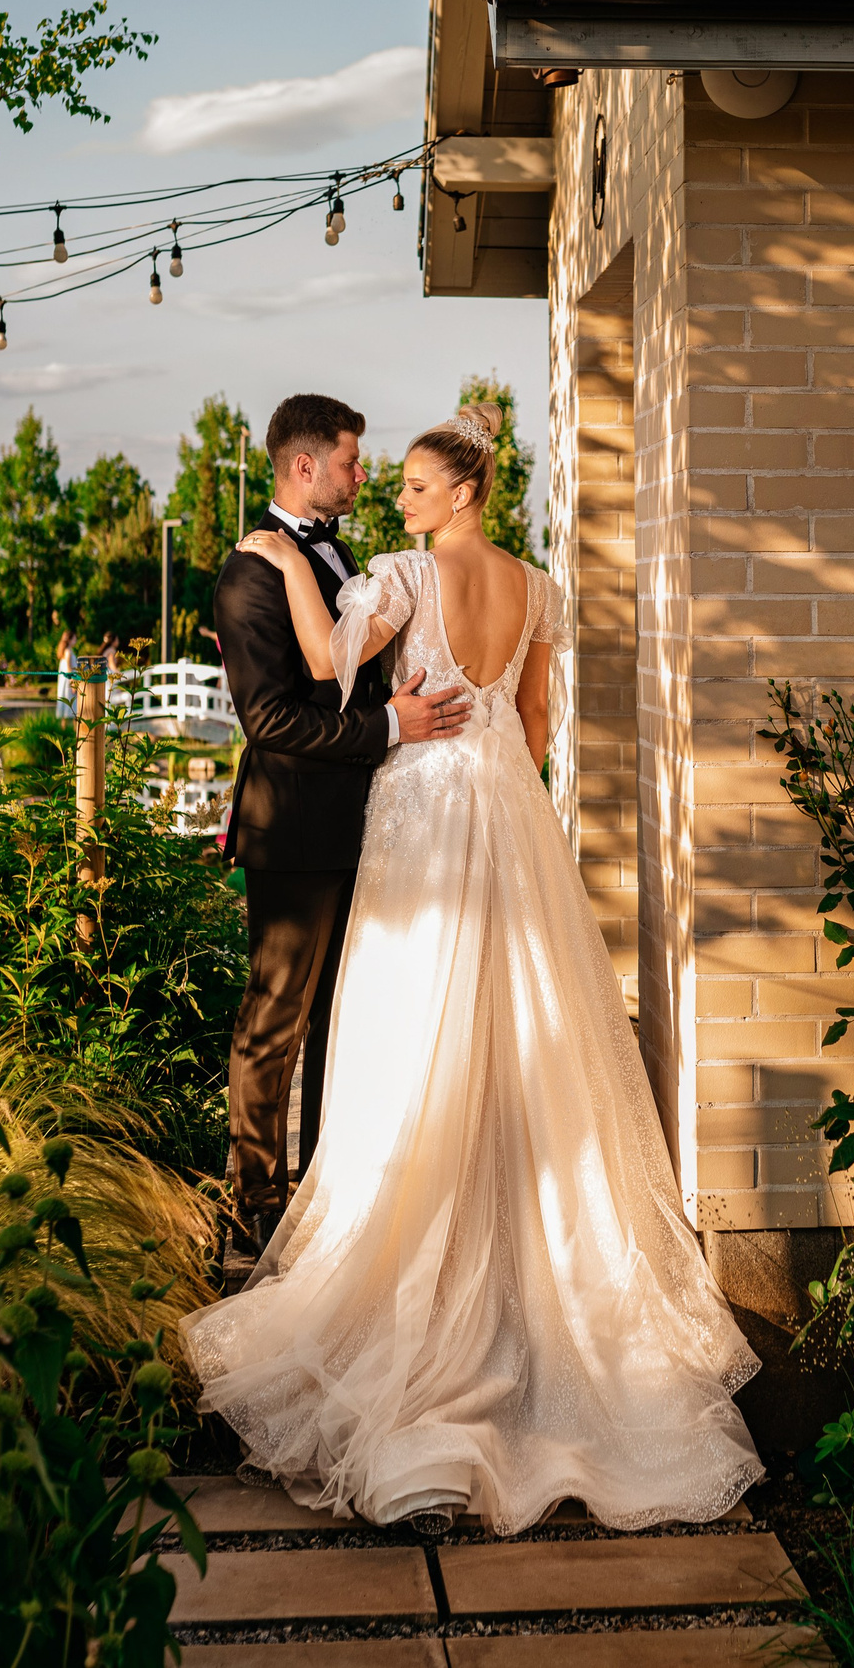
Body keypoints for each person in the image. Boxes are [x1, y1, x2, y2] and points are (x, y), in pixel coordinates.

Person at [180, 404, 762, 1538]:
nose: (391, 493)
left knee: (411, 1025)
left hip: (422, 811)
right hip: (504, 809)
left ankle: (403, 1244)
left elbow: (318, 660)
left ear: (454, 493)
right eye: (375, 475)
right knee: (517, 1011)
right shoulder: (537, 587)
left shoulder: (394, 570)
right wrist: (492, 773)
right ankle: (508, 1234)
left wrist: (277, 564)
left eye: (406, 482)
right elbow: (536, 722)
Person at [210, 394, 471, 1283]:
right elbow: (272, 718)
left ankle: (320, 1203)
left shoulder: (335, 555)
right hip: (294, 828)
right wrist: (391, 727)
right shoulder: (250, 573)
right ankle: (249, 1211)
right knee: (274, 1022)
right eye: (354, 463)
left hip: (366, 824)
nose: (365, 476)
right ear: (305, 466)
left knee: (340, 1022)